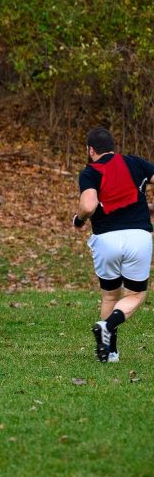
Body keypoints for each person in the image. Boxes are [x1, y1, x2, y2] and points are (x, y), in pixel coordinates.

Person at [73, 127, 154, 363]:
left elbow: (88, 206)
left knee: (110, 295)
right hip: (138, 237)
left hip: (106, 240)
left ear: (90, 150)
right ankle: (107, 326)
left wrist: (78, 220)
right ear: (112, 147)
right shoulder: (134, 163)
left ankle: (110, 352)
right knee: (136, 294)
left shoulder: (89, 172)